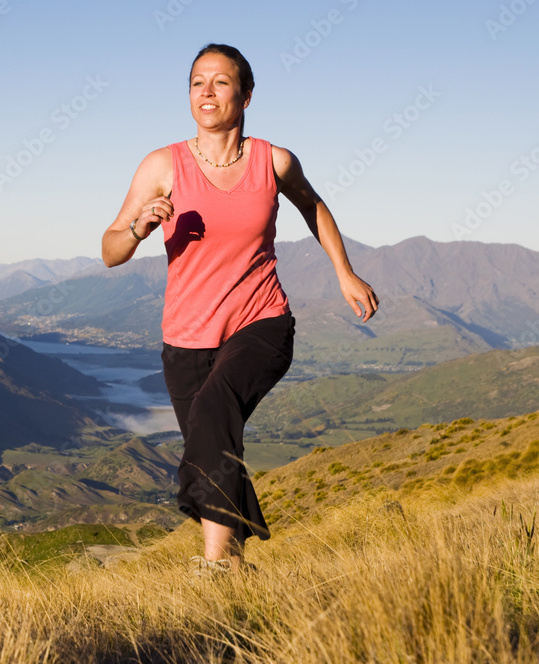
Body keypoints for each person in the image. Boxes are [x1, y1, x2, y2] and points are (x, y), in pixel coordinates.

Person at [101, 44, 379, 572]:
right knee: (214, 446)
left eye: (221, 81)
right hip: (186, 339)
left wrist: (344, 272)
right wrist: (140, 227)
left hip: (261, 321)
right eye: (196, 82)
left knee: (211, 417)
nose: (206, 92)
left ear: (246, 94)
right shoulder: (163, 166)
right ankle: (237, 565)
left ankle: (215, 567)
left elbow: (313, 206)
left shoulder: (273, 161)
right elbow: (110, 250)